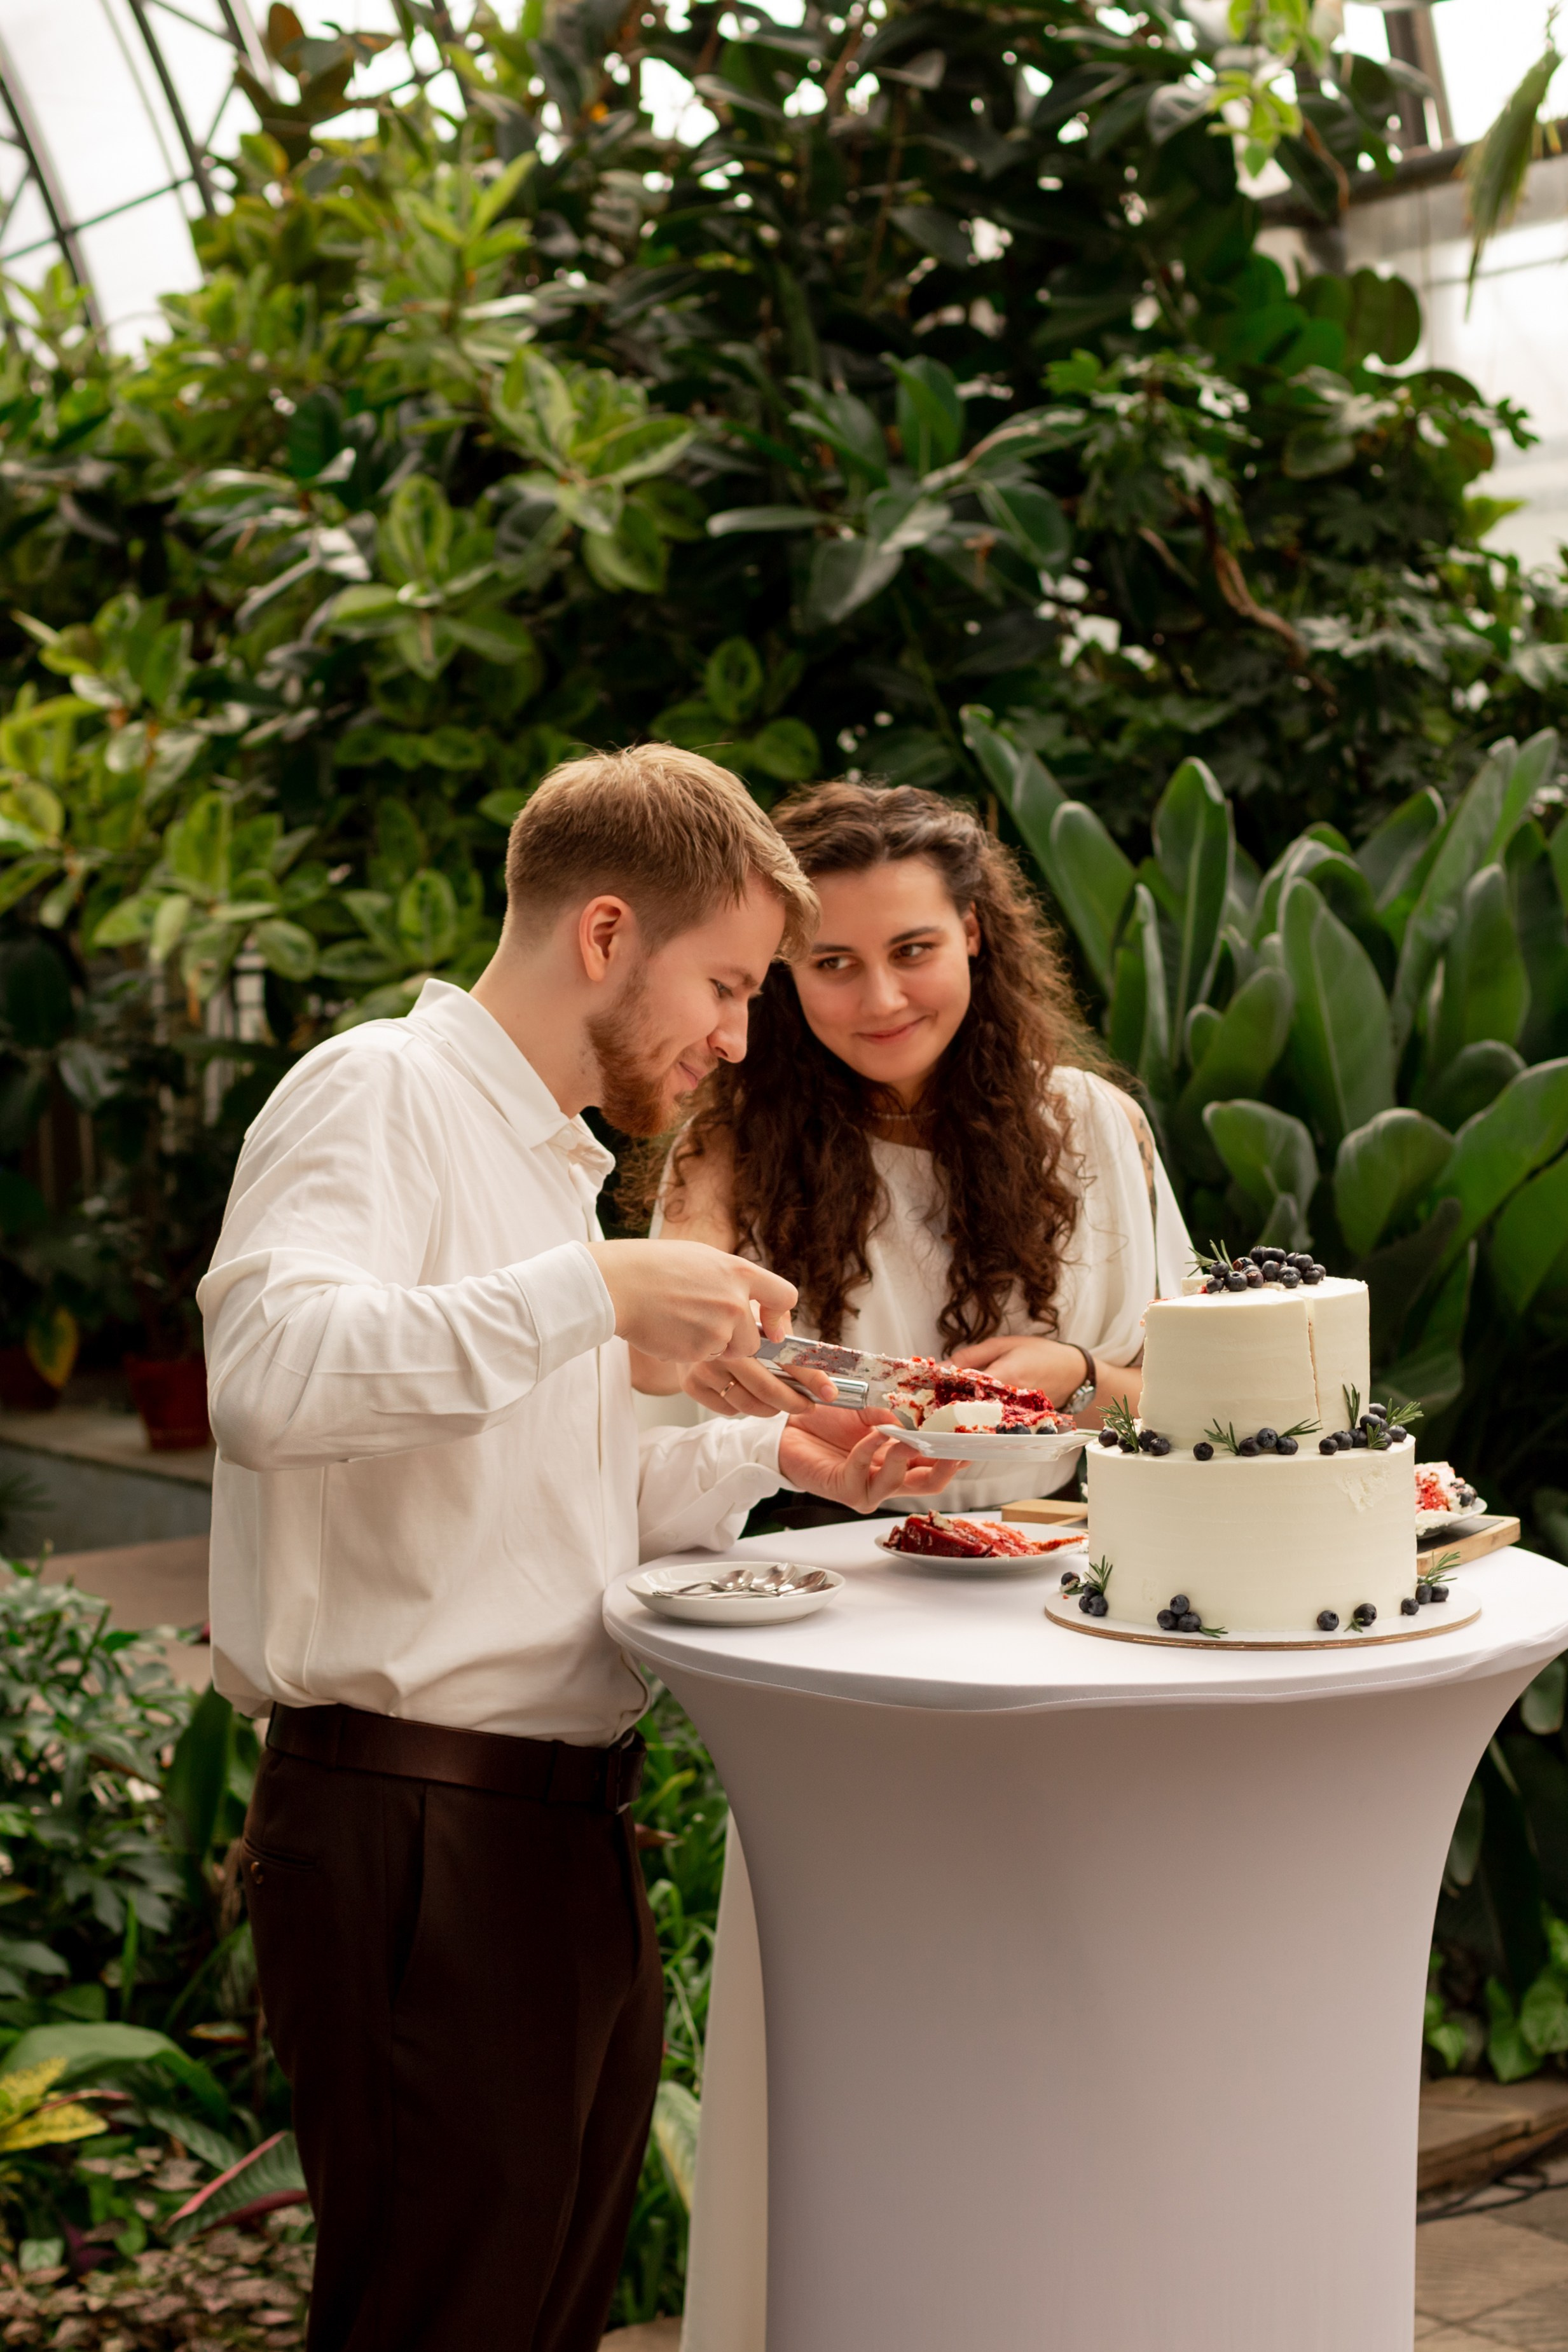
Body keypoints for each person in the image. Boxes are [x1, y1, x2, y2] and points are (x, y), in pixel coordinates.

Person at [197, 746, 961, 2352]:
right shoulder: (378, 1089)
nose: (739, 1037)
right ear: (605, 933)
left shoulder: (549, 1162)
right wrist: (599, 1294)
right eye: (731, 983)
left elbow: (537, 1506)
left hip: (550, 1838)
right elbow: (266, 1379)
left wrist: (773, 1451)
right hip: (413, 1823)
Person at [627, 780, 1192, 2351]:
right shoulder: (733, 1139)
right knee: (857, 2019)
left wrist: (1077, 1369)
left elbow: (1201, 1400)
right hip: (837, 1633)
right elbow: (656, 1413)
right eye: (832, 964)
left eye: (916, 949)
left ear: (981, 943)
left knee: (1067, 2020)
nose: (880, 997)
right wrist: (791, 1412)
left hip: (1075, 1635)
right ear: (782, 980)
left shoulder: (1094, 1127)